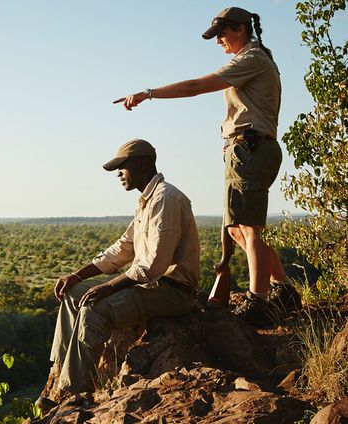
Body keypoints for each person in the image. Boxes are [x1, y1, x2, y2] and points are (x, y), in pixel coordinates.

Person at [115, 7, 290, 322]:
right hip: (247, 150)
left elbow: (194, 87)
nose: (218, 40)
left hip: (250, 148)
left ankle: (259, 301)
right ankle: (283, 288)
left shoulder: (251, 59)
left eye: (221, 33)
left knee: (249, 228)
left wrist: (148, 94)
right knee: (238, 230)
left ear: (240, 29)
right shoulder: (255, 59)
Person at [41, 138, 199, 405]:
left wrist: (109, 286)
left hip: (171, 290)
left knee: (95, 307)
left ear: (142, 163)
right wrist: (78, 276)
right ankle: (60, 373)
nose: (118, 173)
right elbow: (122, 249)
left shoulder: (166, 199)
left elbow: (153, 265)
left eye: (122, 166)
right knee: (74, 294)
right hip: (150, 285)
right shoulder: (147, 201)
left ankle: (75, 393)